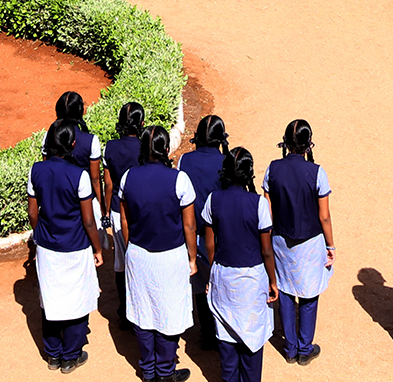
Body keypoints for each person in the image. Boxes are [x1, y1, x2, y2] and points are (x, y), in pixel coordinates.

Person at [117, 124, 199, 382]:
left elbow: (125, 221)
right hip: (171, 256)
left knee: (143, 312)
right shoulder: (179, 179)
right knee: (169, 313)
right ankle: (165, 371)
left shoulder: (128, 177)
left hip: (138, 254)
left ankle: (148, 370)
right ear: (166, 148)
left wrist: (132, 248)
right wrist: (193, 258)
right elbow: (189, 225)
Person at [31, 118, 105, 373]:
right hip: (75, 247)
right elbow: (88, 220)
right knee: (78, 301)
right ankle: (71, 355)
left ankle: (52, 355)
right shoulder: (79, 175)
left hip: (47, 246)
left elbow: (33, 213)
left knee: (50, 300)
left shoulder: (35, 170)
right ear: (73, 144)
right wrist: (97, 249)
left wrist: (41, 232)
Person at [203, 146, 278, 382]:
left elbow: (210, 245)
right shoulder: (259, 204)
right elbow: (266, 250)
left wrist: (214, 274)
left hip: (223, 275)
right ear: (249, 174)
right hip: (252, 280)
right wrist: (273, 281)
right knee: (252, 341)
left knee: (226, 339)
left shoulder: (213, 199)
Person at [265, 119, 334, 364]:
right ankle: (305, 349)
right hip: (311, 242)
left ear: (285, 143)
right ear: (308, 145)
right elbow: (324, 215)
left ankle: (290, 348)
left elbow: (268, 211)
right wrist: (331, 245)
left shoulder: (272, 169)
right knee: (308, 294)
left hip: (281, 241)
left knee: (284, 290)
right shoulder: (317, 173)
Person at [179, 115, 229, 351]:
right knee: (221, 283)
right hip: (220, 235)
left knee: (199, 285)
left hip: (193, 234)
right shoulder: (226, 161)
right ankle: (223, 332)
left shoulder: (185, 160)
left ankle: (207, 332)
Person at [103, 100, 145, 322]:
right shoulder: (145, 147)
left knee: (120, 261)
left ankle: (124, 309)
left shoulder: (109, 147)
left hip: (119, 211)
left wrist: (107, 212)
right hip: (142, 210)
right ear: (142, 123)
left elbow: (108, 185)